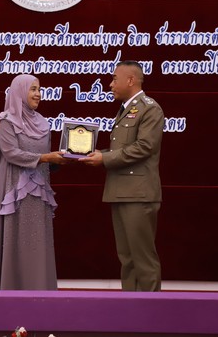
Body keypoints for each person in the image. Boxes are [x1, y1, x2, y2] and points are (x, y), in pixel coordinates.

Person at [79, 61, 164, 291]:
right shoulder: (127, 108)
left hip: (138, 194)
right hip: (121, 192)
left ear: (130, 80)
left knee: (143, 259)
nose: (110, 84)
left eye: (115, 79)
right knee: (127, 259)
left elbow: (144, 147)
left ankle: (149, 309)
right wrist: (99, 154)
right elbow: (124, 148)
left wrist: (104, 158)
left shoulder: (150, 109)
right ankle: (130, 306)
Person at [0, 74, 69, 290]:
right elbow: (11, 153)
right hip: (16, 195)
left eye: (39, 89)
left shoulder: (43, 123)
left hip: (39, 196)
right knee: (17, 239)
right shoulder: (6, 121)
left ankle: (41, 290)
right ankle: (14, 291)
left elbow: (46, 160)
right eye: (33, 89)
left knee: (39, 242)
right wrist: (46, 158)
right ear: (19, 91)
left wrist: (63, 160)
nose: (38, 94)